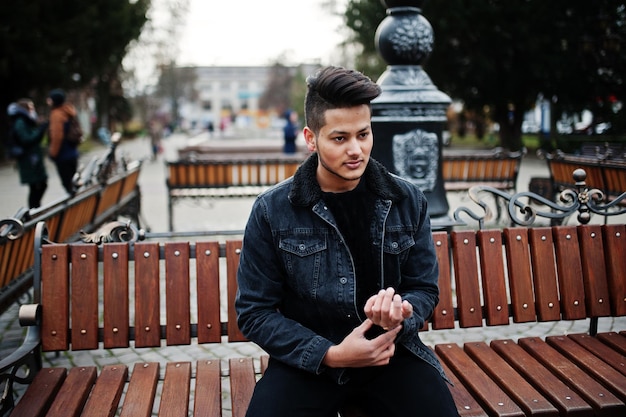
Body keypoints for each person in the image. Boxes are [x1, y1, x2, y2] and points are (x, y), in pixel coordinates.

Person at [235, 66, 458, 417]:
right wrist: (332, 355)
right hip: (309, 363)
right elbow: (254, 311)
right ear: (311, 139)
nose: (356, 150)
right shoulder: (272, 210)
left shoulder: (407, 199)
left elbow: (424, 289)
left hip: (391, 353)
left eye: (363, 134)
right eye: (340, 138)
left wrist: (400, 314)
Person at [7, 99, 48, 208]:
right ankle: (34, 211)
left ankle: (35, 210)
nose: (33, 110)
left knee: (40, 185)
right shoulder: (21, 122)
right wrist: (40, 131)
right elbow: (26, 139)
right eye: (31, 108)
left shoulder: (28, 121)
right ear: (25, 109)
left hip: (33, 159)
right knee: (36, 187)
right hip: (29, 160)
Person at [47, 88, 79, 195]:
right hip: (72, 153)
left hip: (63, 155)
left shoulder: (56, 114)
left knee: (68, 185)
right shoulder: (68, 111)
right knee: (74, 183)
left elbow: (57, 136)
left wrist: (53, 153)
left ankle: (76, 210)